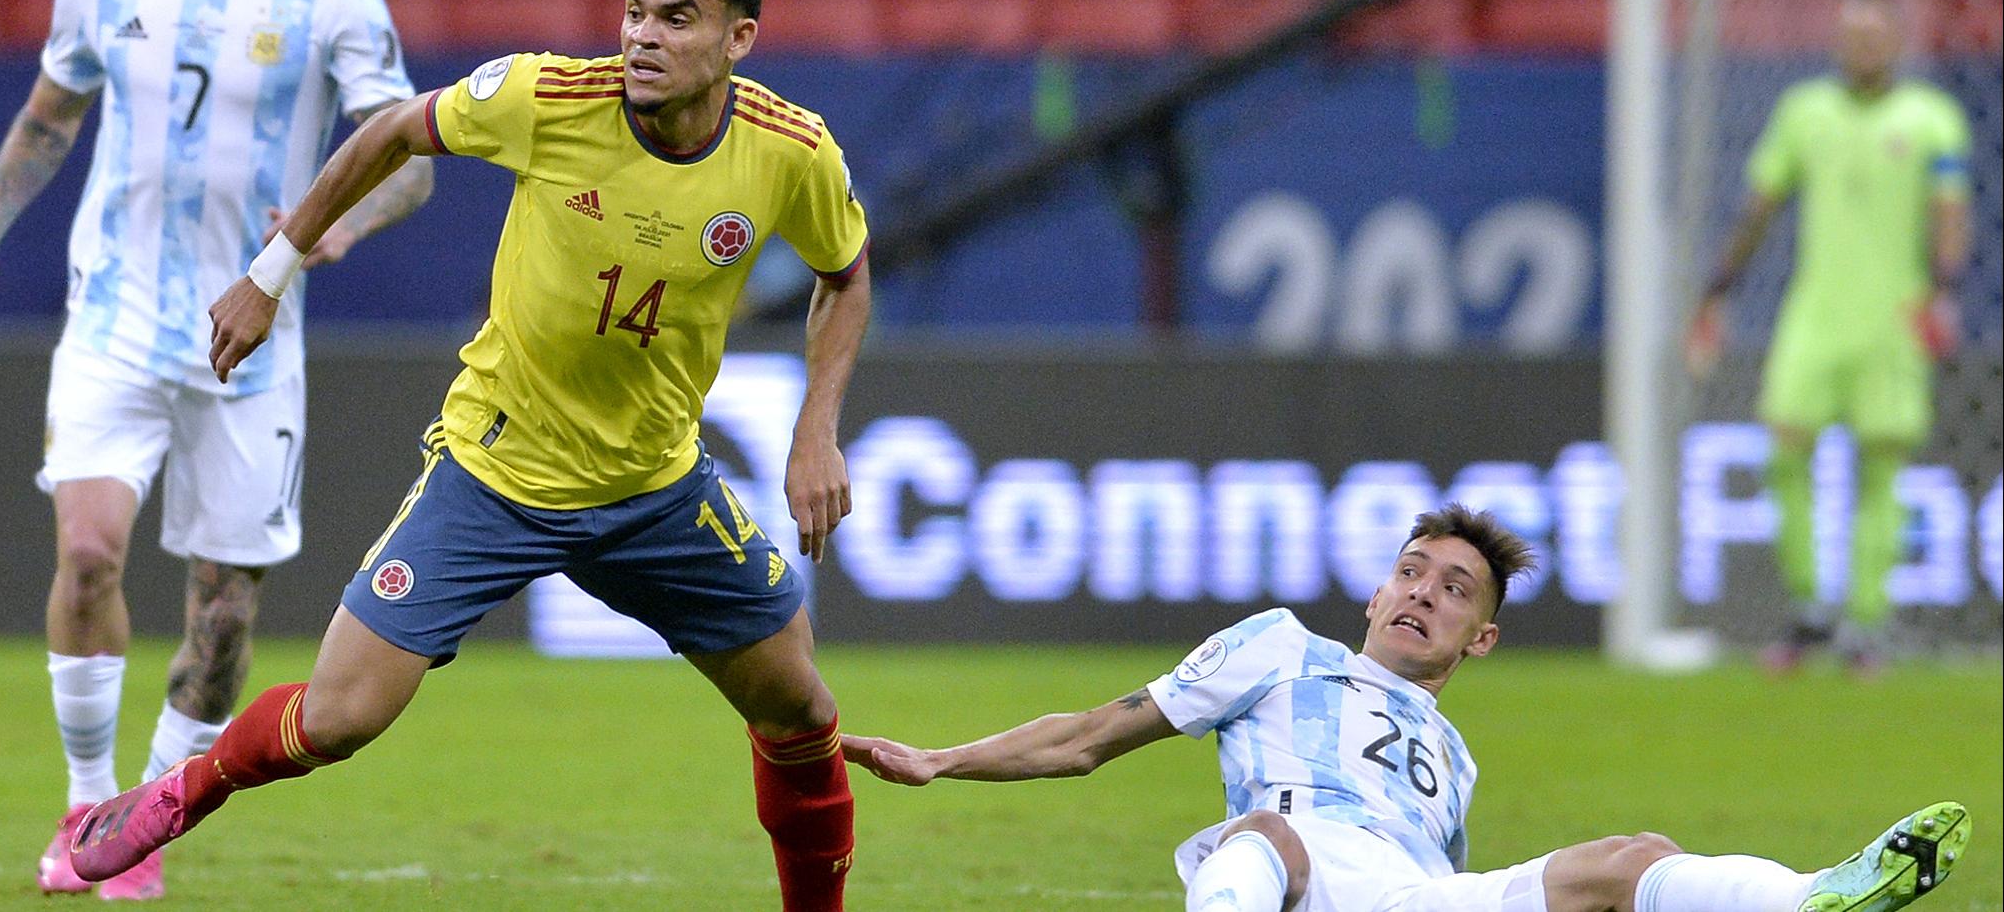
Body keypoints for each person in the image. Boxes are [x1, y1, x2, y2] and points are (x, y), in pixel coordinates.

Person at [65, 0, 874, 912]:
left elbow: (844, 275)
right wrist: (270, 274)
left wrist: (813, 429)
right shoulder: (545, 96)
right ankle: (175, 794)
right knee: (338, 717)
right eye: (632, 10)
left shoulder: (789, 151)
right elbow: (397, 128)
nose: (641, 36)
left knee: (798, 703)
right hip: (495, 470)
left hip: (655, 485)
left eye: (676, 17)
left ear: (738, 38)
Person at [0, 0, 428, 899]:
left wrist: (338, 224)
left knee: (221, 610)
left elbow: (404, 153)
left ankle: (140, 817)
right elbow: (50, 117)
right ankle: (83, 798)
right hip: (112, 314)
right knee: (91, 549)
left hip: (251, 340)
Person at [838, 505, 1972, 912]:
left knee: (1632, 858)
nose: (1424, 590)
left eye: (1454, 587)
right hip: (1294, 867)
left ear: (1479, 639)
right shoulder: (1277, 645)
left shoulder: (1453, 754)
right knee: (1260, 834)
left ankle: (1817, 894)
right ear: (1377, 589)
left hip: (1418, 893)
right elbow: (1088, 736)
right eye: (1412, 570)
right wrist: (944, 759)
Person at [1688, 0, 1973, 675]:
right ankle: (1812, 607)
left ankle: (1865, 626)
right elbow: (1760, 206)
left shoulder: (1931, 120)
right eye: (1851, 35)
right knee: (1784, 452)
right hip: (1813, 314)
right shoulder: (1802, 112)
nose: (1862, 47)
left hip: (1892, 319)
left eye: (1875, 35)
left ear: (1896, 42)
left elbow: (1949, 213)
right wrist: (1715, 292)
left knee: (1882, 468)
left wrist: (1941, 293)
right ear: (1837, 43)